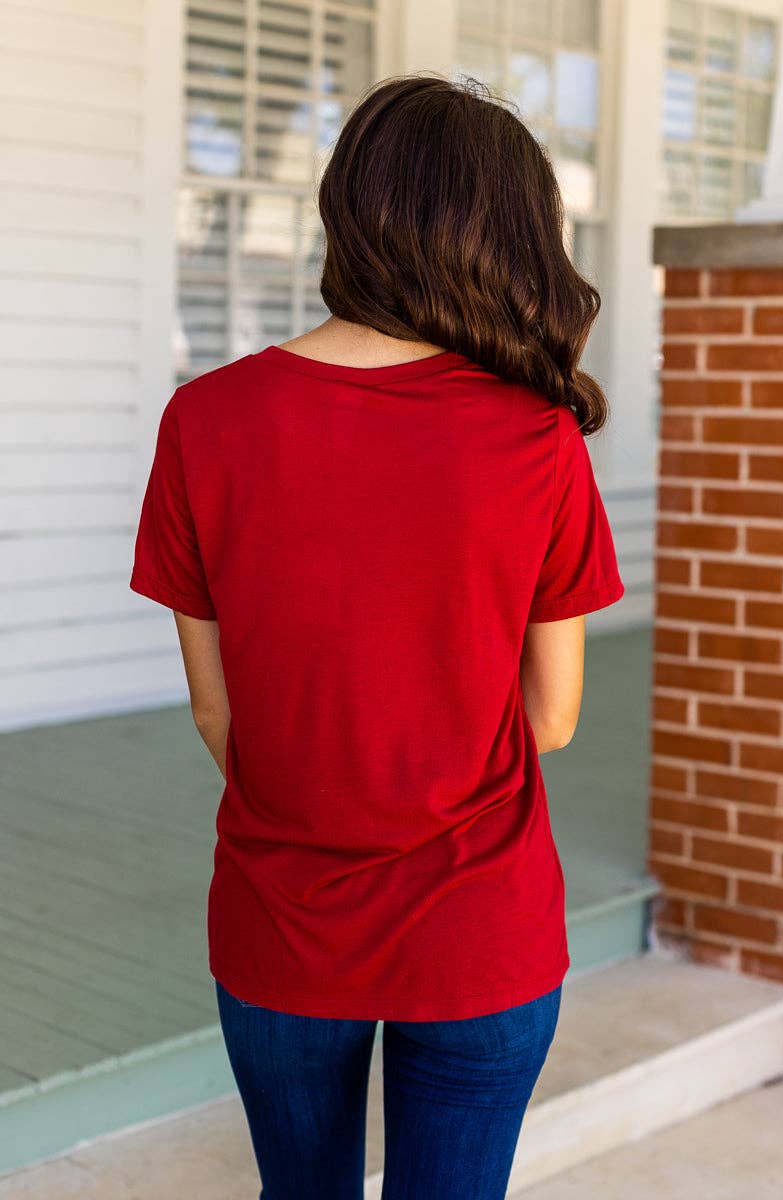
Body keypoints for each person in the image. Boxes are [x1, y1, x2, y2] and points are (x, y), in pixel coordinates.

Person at [130, 72, 624, 1200]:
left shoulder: (206, 420)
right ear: (506, 231)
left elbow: (216, 709)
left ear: (346, 210)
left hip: (281, 918)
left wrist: (321, 790)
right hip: (481, 924)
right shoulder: (536, 436)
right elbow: (551, 718)